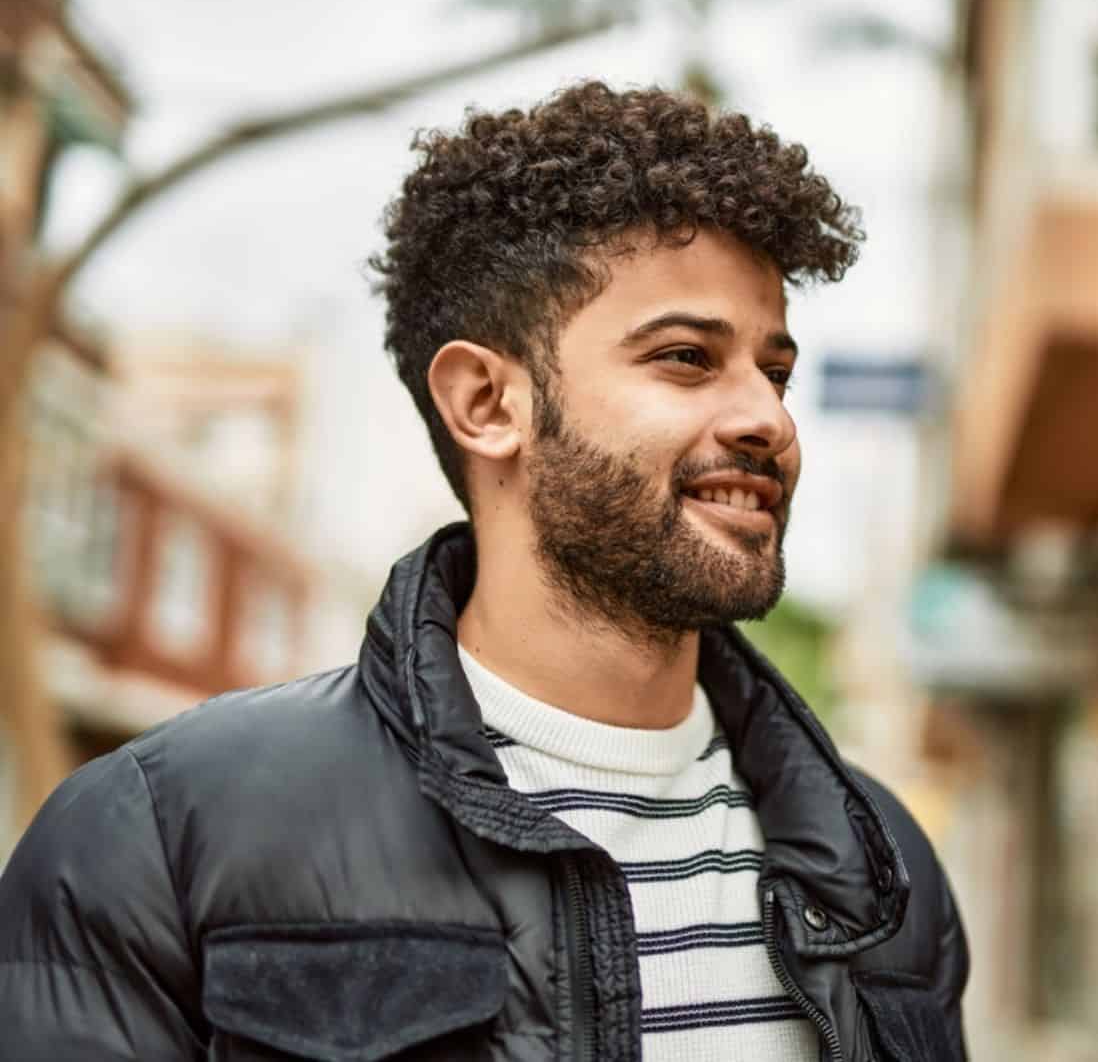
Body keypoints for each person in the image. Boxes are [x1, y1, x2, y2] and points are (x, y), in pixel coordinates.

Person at [0, 82, 969, 1061]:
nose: (769, 419)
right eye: (685, 357)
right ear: (487, 402)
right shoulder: (156, 840)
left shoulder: (876, 869)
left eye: (775, 370)